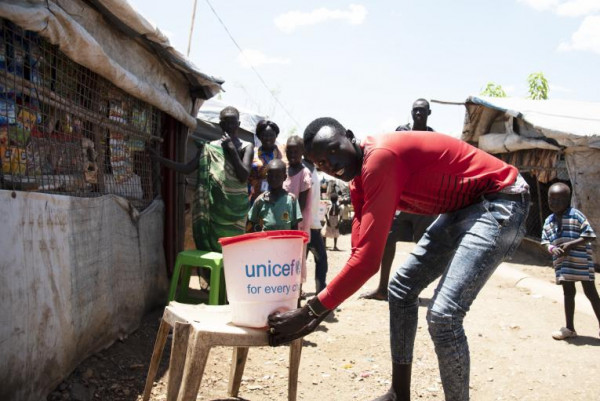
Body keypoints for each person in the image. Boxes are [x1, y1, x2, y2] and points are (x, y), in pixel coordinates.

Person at [268, 117, 530, 401]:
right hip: (464, 207)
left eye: (333, 150)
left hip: (501, 198)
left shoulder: (380, 158)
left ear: (350, 137)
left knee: (444, 315)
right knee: (401, 289)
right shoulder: (359, 181)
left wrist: (310, 312)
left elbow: (368, 262)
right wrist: (319, 312)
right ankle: (399, 393)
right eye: (321, 162)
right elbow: (360, 251)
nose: (330, 164)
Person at [361, 98, 437, 301]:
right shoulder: (401, 132)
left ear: (429, 113)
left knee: (426, 246)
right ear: (411, 113)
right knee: (388, 238)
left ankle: (414, 291)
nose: (418, 114)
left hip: (423, 201)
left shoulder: (433, 137)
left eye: (422, 111)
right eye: (415, 111)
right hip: (400, 197)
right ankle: (382, 289)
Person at [150, 106, 253, 251]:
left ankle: (230, 274)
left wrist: (232, 150)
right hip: (214, 207)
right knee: (214, 247)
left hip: (236, 209)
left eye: (232, 122)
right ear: (220, 125)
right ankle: (211, 274)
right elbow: (187, 168)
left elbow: (244, 176)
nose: (229, 126)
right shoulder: (209, 147)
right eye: (225, 122)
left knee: (233, 248)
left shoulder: (247, 146)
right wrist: (160, 160)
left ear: (238, 125)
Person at [541, 182, 600, 340]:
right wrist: (553, 249)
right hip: (564, 263)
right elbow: (545, 242)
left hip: (582, 263)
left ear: (568, 200)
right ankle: (569, 328)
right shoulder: (549, 220)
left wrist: (571, 244)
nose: (554, 203)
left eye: (558, 200)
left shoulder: (576, 215)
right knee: (568, 293)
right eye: (551, 199)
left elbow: (590, 235)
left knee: (591, 293)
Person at [246, 159, 302, 232]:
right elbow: (251, 223)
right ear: (267, 177)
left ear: (284, 177)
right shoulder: (260, 200)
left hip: (284, 242)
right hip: (265, 242)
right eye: (271, 175)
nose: (274, 179)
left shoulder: (291, 200)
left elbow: (294, 228)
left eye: (277, 176)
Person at [304, 157, 329, 293]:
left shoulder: (312, 168)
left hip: (312, 222)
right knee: (321, 259)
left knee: (306, 259)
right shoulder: (304, 168)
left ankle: (318, 291)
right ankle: (320, 292)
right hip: (308, 224)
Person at [248, 120, 283, 203]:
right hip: (255, 198)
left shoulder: (281, 154)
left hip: (277, 198)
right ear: (259, 136)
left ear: (276, 135)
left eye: (271, 135)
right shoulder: (253, 153)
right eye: (264, 135)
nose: (268, 138)